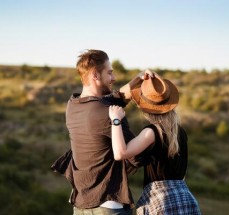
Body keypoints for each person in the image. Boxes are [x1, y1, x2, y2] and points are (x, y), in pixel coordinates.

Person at [63, 49, 148, 215]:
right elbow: (136, 157)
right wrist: (153, 134)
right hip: (108, 207)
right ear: (95, 75)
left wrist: (139, 78)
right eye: (109, 73)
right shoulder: (108, 114)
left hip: (81, 206)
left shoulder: (73, 105)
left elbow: (115, 97)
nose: (114, 78)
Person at [109, 72, 202, 215]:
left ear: (144, 107)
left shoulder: (152, 132)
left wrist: (116, 121)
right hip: (186, 198)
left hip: (161, 202)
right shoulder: (180, 131)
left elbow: (120, 153)